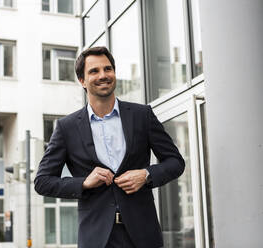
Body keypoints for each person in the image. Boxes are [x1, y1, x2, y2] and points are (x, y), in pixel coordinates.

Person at [34, 46, 185, 248]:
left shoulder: (142, 116)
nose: (103, 75)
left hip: (143, 236)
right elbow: (42, 182)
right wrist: (84, 183)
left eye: (108, 69)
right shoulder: (66, 128)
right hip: (97, 239)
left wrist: (146, 174)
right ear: (82, 81)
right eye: (94, 71)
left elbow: (176, 162)